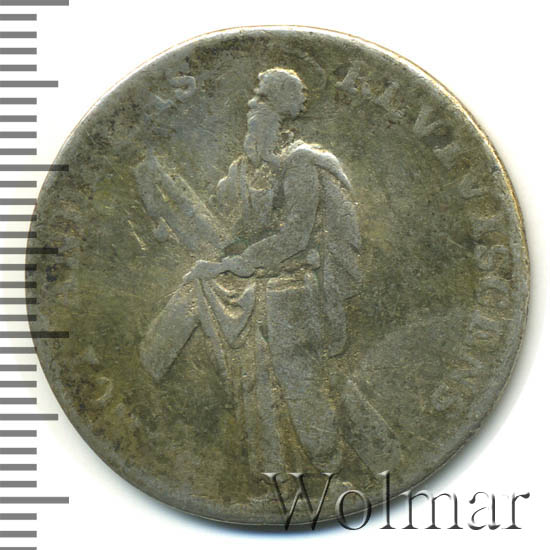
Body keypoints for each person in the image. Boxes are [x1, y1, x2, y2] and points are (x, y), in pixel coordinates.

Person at [139, 68, 390, 473]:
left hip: (295, 290)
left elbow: (294, 236)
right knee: (257, 377)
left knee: (305, 384)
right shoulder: (248, 168)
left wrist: (233, 263)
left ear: (278, 114)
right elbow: (232, 228)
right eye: (253, 104)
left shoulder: (302, 163)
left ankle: (342, 466)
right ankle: (281, 476)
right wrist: (175, 221)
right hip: (258, 285)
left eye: (260, 103)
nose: (250, 110)